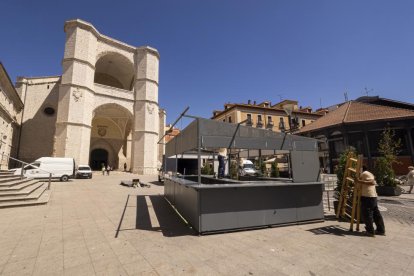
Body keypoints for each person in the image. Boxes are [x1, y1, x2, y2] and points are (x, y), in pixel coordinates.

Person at [358, 166, 385, 237]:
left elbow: (372, 182)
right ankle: (380, 230)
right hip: (372, 196)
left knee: (367, 214)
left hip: (368, 196)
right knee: (376, 214)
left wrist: (359, 181)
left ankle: (370, 231)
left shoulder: (365, 173)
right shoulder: (368, 173)